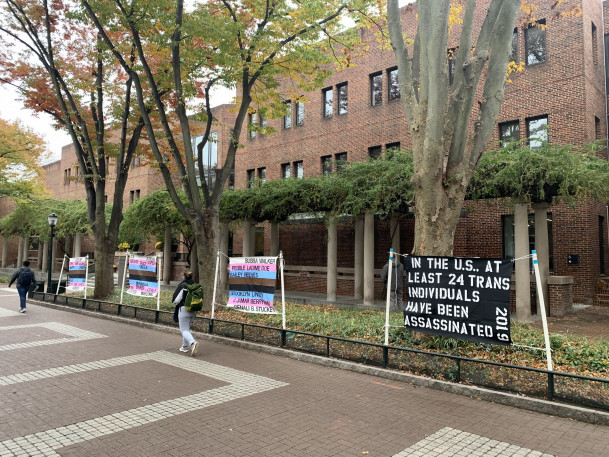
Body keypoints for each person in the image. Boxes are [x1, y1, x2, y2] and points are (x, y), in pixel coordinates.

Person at [172, 271, 200, 356]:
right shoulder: (196, 286)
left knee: (183, 330)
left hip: (184, 309)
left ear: (184, 276)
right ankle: (184, 347)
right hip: (193, 309)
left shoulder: (183, 285)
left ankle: (193, 343)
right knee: (186, 329)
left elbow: (176, 300)